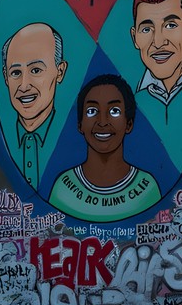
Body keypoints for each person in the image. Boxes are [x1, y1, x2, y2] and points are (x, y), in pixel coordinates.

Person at [49, 74, 161, 222]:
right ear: (80, 124)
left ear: (129, 124)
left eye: (114, 111)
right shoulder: (62, 189)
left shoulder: (148, 189)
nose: (102, 122)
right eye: (92, 111)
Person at [1, 22, 68, 189]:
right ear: (5, 77)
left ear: (60, 71)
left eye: (36, 70)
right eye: (16, 73)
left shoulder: (75, 140)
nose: (24, 86)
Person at [131, 0, 182, 118]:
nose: (158, 42)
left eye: (170, 25)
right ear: (134, 37)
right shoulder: (128, 94)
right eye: (146, 29)